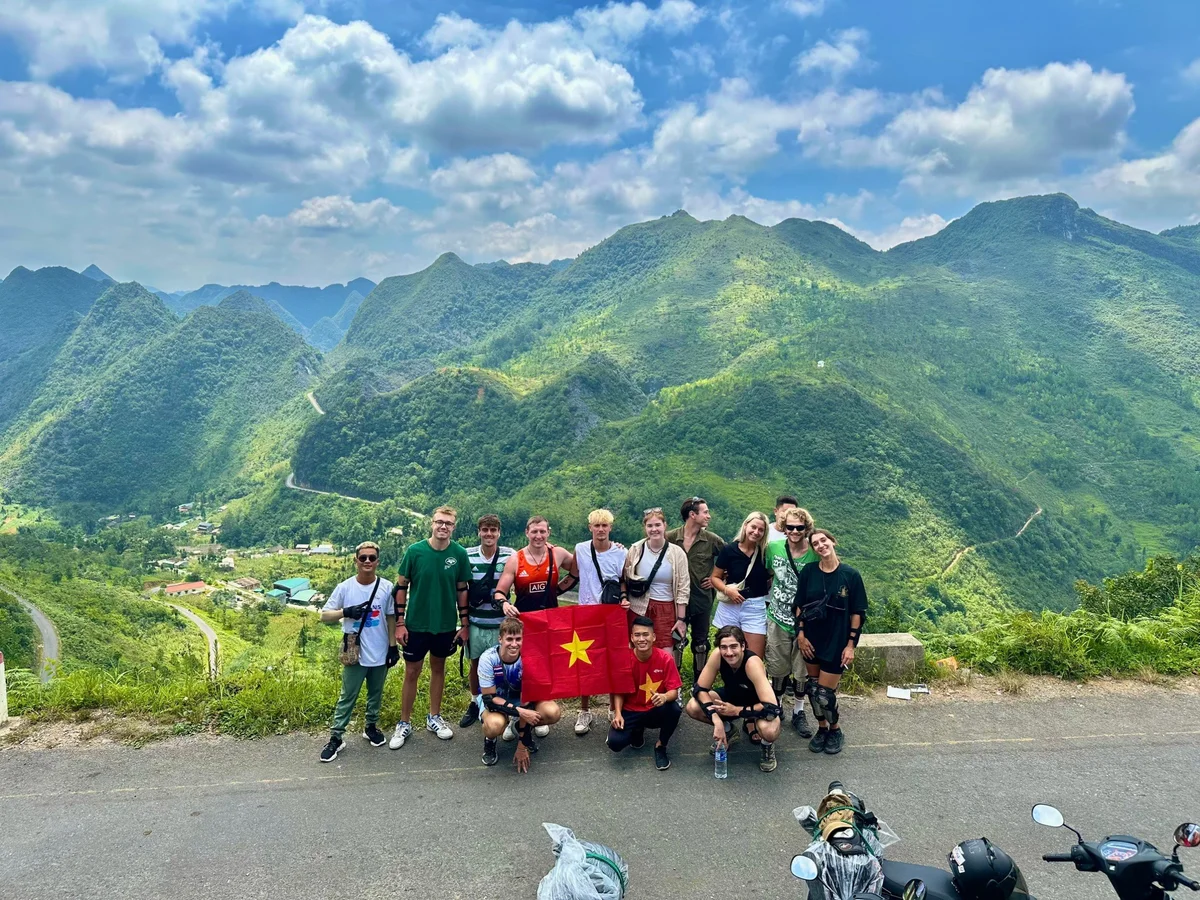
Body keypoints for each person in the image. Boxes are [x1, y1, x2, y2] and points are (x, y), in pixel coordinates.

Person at [389, 506, 472, 750]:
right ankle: (404, 722)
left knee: (439, 668)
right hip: (416, 624)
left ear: (454, 527)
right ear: (432, 524)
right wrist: (400, 623)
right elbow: (401, 587)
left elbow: (462, 590)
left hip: (445, 625)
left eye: (448, 523)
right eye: (439, 522)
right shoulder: (415, 551)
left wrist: (464, 624)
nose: (443, 526)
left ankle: (434, 717)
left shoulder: (459, 554)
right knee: (411, 672)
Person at [319, 541, 398, 762]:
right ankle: (336, 737)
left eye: (372, 558)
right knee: (348, 696)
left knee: (376, 693)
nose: (367, 561)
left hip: (380, 651)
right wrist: (345, 612)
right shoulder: (345, 587)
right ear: (356, 561)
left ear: (377, 561)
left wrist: (393, 646)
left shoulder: (386, 587)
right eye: (363, 558)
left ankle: (371, 726)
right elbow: (324, 615)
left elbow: (391, 616)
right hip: (355, 653)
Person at [793, 528, 868, 756]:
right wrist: (801, 635)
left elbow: (857, 613)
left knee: (825, 694)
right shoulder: (809, 572)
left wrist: (851, 645)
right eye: (815, 543)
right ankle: (822, 728)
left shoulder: (850, 575)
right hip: (811, 641)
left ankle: (835, 729)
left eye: (823, 540)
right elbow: (799, 605)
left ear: (833, 541)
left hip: (837, 642)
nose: (821, 545)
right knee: (813, 689)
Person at [685, 625, 782, 772]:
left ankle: (767, 746)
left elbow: (772, 707)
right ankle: (728, 730)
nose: (729, 652)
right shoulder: (718, 655)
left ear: (743, 646)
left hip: (757, 704)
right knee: (693, 706)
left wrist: (737, 711)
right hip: (731, 697)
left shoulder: (752, 663)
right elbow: (700, 689)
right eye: (724, 647)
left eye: (733, 646)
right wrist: (716, 720)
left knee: (769, 731)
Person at [567, 509, 628, 735]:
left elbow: (623, 580)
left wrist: (624, 598)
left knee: (612, 662)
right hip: (586, 614)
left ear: (610, 527)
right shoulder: (581, 549)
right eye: (597, 525)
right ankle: (585, 710)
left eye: (604, 525)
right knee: (585, 663)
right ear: (590, 527)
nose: (601, 529)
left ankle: (613, 708)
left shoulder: (621, 552)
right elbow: (573, 575)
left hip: (611, 615)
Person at [479, 617, 563, 772]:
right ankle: (490, 741)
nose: (514, 644)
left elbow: (527, 700)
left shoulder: (529, 658)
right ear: (500, 639)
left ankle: (521, 729)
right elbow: (489, 699)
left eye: (518, 639)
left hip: (521, 699)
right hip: (496, 700)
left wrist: (521, 746)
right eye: (509, 639)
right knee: (494, 725)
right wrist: (520, 712)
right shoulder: (488, 658)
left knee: (552, 712)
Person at [765, 507, 817, 737]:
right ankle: (776, 707)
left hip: (805, 622)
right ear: (783, 528)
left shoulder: (814, 553)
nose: (795, 531)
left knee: (801, 668)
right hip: (777, 617)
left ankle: (798, 710)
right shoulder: (773, 548)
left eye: (800, 528)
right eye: (790, 527)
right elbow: (767, 573)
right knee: (777, 666)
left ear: (807, 529)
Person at [460, 514, 516, 729]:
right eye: (485, 530)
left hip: (501, 623)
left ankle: (505, 706)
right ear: (479, 532)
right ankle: (476, 702)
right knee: (475, 664)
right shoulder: (468, 555)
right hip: (476, 622)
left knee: (503, 666)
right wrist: (464, 623)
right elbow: (462, 590)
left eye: (493, 530)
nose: (489, 534)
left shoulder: (509, 555)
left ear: (499, 533)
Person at [608, 616, 683, 770]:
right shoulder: (624, 660)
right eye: (637, 635)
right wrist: (618, 714)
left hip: (654, 709)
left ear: (653, 637)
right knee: (615, 743)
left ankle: (661, 746)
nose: (642, 639)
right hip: (631, 710)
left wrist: (664, 697)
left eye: (645, 634)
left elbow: (674, 691)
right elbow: (619, 691)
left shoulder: (665, 658)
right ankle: (637, 731)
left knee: (674, 709)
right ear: (631, 638)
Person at [666, 496, 725, 682]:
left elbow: (731, 560)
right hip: (675, 600)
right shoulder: (670, 538)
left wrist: (718, 579)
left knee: (701, 644)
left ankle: (700, 684)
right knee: (676, 640)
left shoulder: (712, 540)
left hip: (701, 599)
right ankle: (674, 684)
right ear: (692, 515)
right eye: (705, 512)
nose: (709, 516)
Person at [623, 508, 689, 652]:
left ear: (665, 525)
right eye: (650, 526)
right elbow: (625, 577)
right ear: (645, 528)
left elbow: (683, 588)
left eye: (657, 525)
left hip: (665, 608)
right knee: (636, 650)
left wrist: (681, 619)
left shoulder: (677, 553)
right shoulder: (636, 549)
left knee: (665, 652)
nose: (654, 529)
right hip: (638, 607)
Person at [711, 511, 773, 659]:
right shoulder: (729, 550)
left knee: (754, 657)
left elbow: (772, 576)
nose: (756, 532)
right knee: (726, 653)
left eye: (761, 530)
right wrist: (727, 590)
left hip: (754, 606)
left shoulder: (765, 553)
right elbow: (714, 577)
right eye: (753, 527)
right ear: (745, 525)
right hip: (730, 605)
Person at [495, 516, 577, 615]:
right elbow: (499, 593)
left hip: (551, 618)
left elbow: (580, 569)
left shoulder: (558, 554)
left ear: (548, 533)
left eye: (542, 532)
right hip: (524, 619)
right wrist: (505, 604)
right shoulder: (515, 560)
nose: (538, 536)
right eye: (534, 532)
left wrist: (557, 590)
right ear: (527, 533)